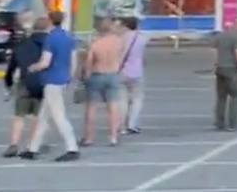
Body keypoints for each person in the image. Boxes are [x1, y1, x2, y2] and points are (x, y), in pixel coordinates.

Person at [22, 9, 81, 161]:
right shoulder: (68, 37)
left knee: (58, 116)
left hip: (52, 80)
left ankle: (72, 147)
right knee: (43, 116)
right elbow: (73, 59)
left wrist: (33, 67)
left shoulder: (51, 39)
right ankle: (32, 148)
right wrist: (70, 77)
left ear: (50, 20)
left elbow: (45, 62)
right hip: (62, 78)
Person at [2, 16, 50, 157]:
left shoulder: (23, 43)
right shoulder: (50, 44)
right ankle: (32, 145)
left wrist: (9, 82)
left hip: (25, 82)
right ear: (48, 28)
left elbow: (12, 66)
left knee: (19, 115)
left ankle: (13, 144)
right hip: (44, 82)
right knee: (38, 116)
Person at [81, 18, 124, 146]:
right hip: (113, 74)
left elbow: (89, 61)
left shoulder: (95, 44)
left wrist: (86, 75)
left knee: (92, 107)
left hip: (97, 74)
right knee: (113, 107)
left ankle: (89, 137)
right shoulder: (118, 42)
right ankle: (113, 136)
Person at [212, 16, 237, 131]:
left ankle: (219, 122)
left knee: (221, 97)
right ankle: (232, 124)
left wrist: (216, 64)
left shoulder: (220, 36)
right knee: (235, 96)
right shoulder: (236, 37)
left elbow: (214, 51)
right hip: (232, 69)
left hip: (220, 68)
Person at [118, 16, 149, 134]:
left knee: (123, 100)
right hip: (137, 72)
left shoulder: (121, 38)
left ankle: (122, 127)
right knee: (137, 99)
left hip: (122, 71)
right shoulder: (142, 38)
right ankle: (132, 124)